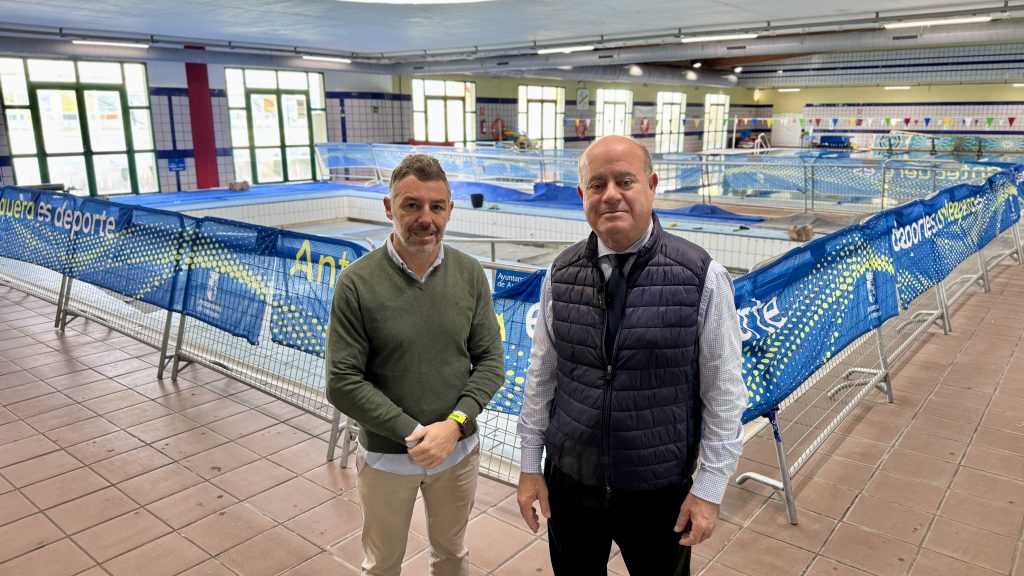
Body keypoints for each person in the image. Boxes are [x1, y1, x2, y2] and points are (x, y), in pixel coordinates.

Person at [516, 135, 746, 576]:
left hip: (658, 488)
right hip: (571, 483)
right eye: (597, 185)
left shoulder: (700, 276)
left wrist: (710, 487)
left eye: (624, 181)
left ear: (651, 186)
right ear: (582, 195)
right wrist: (530, 466)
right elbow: (541, 378)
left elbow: (724, 392)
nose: (610, 195)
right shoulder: (559, 274)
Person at [326, 153, 504, 576]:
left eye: (436, 206)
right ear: (389, 208)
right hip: (387, 458)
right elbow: (342, 381)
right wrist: (414, 433)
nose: (426, 218)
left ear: (449, 210)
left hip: (457, 453)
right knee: (382, 564)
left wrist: (454, 425)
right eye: (412, 205)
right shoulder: (357, 283)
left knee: (452, 554)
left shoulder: (469, 273)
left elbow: (491, 360)